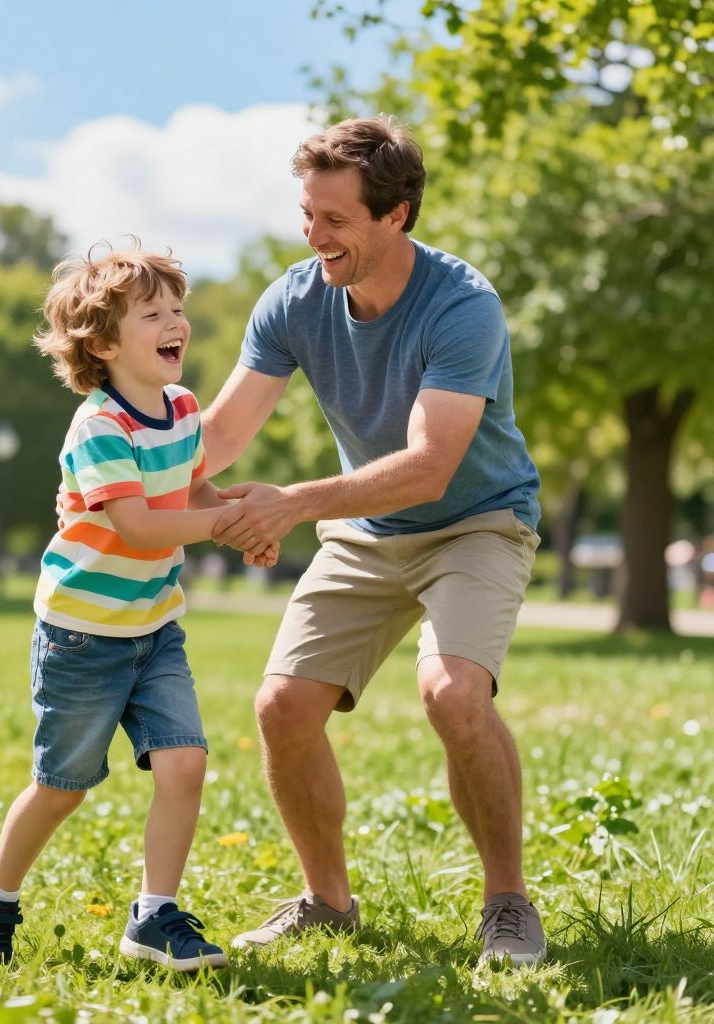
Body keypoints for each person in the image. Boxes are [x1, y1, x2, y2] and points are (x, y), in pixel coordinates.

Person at [203, 117, 546, 966]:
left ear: (396, 216)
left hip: (477, 519)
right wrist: (115, 477)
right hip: (367, 529)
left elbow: (431, 467)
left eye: (336, 220)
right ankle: (327, 901)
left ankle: (507, 902)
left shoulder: (462, 306)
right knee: (282, 709)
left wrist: (290, 505)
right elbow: (220, 435)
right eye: (308, 213)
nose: (314, 236)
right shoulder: (293, 298)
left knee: (453, 693)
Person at [0, 241, 276, 971]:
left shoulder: (184, 410)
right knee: (62, 787)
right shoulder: (100, 426)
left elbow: (192, 497)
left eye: (178, 310)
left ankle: (154, 915)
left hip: (154, 629)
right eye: (153, 314)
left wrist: (240, 522)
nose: (176, 323)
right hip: (82, 637)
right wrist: (218, 524)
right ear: (103, 344)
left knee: (186, 763)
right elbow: (137, 524)